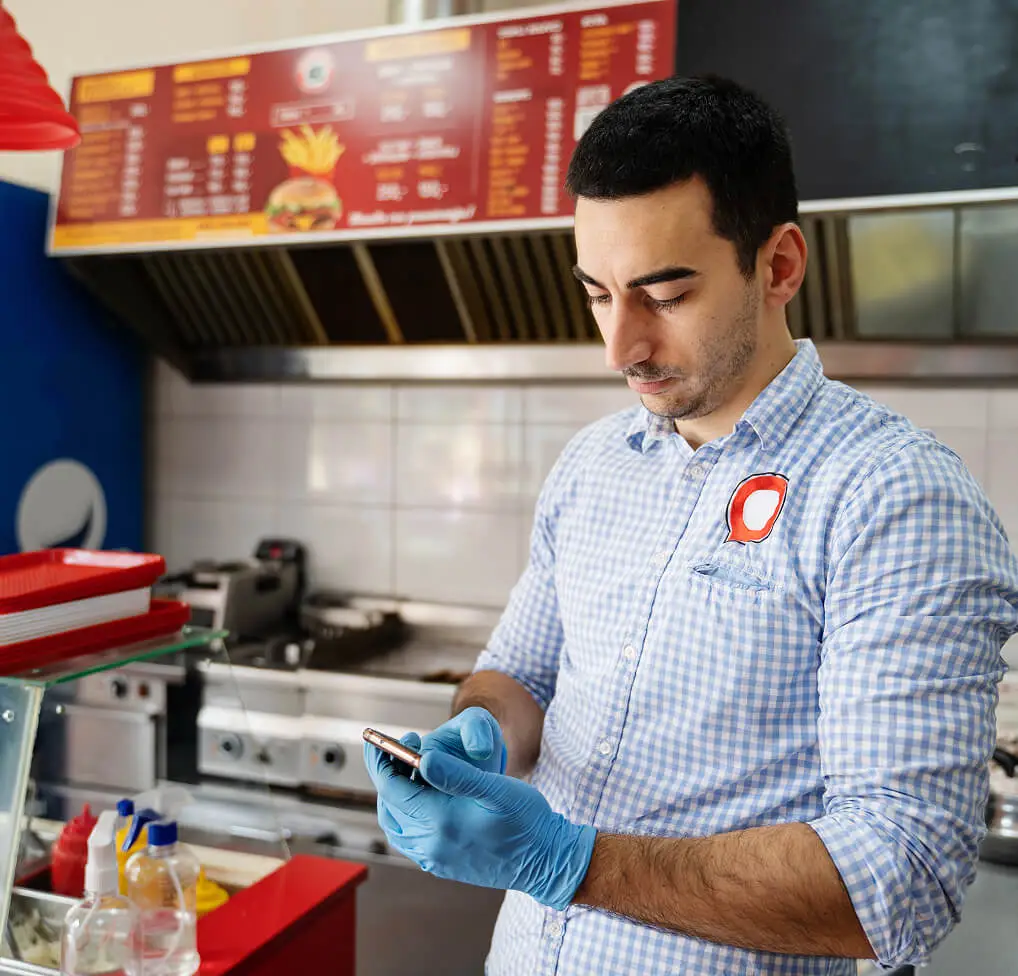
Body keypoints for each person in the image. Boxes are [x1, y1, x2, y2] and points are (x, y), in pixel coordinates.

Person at [364, 75, 1018, 975]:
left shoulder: (892, 497)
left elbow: (901, 878)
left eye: (664, 296)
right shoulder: (595, 464)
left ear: (779, 266)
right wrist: (473, 736)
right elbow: (519, 673)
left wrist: (569, 862)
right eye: (597, 293)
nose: (619, 347)